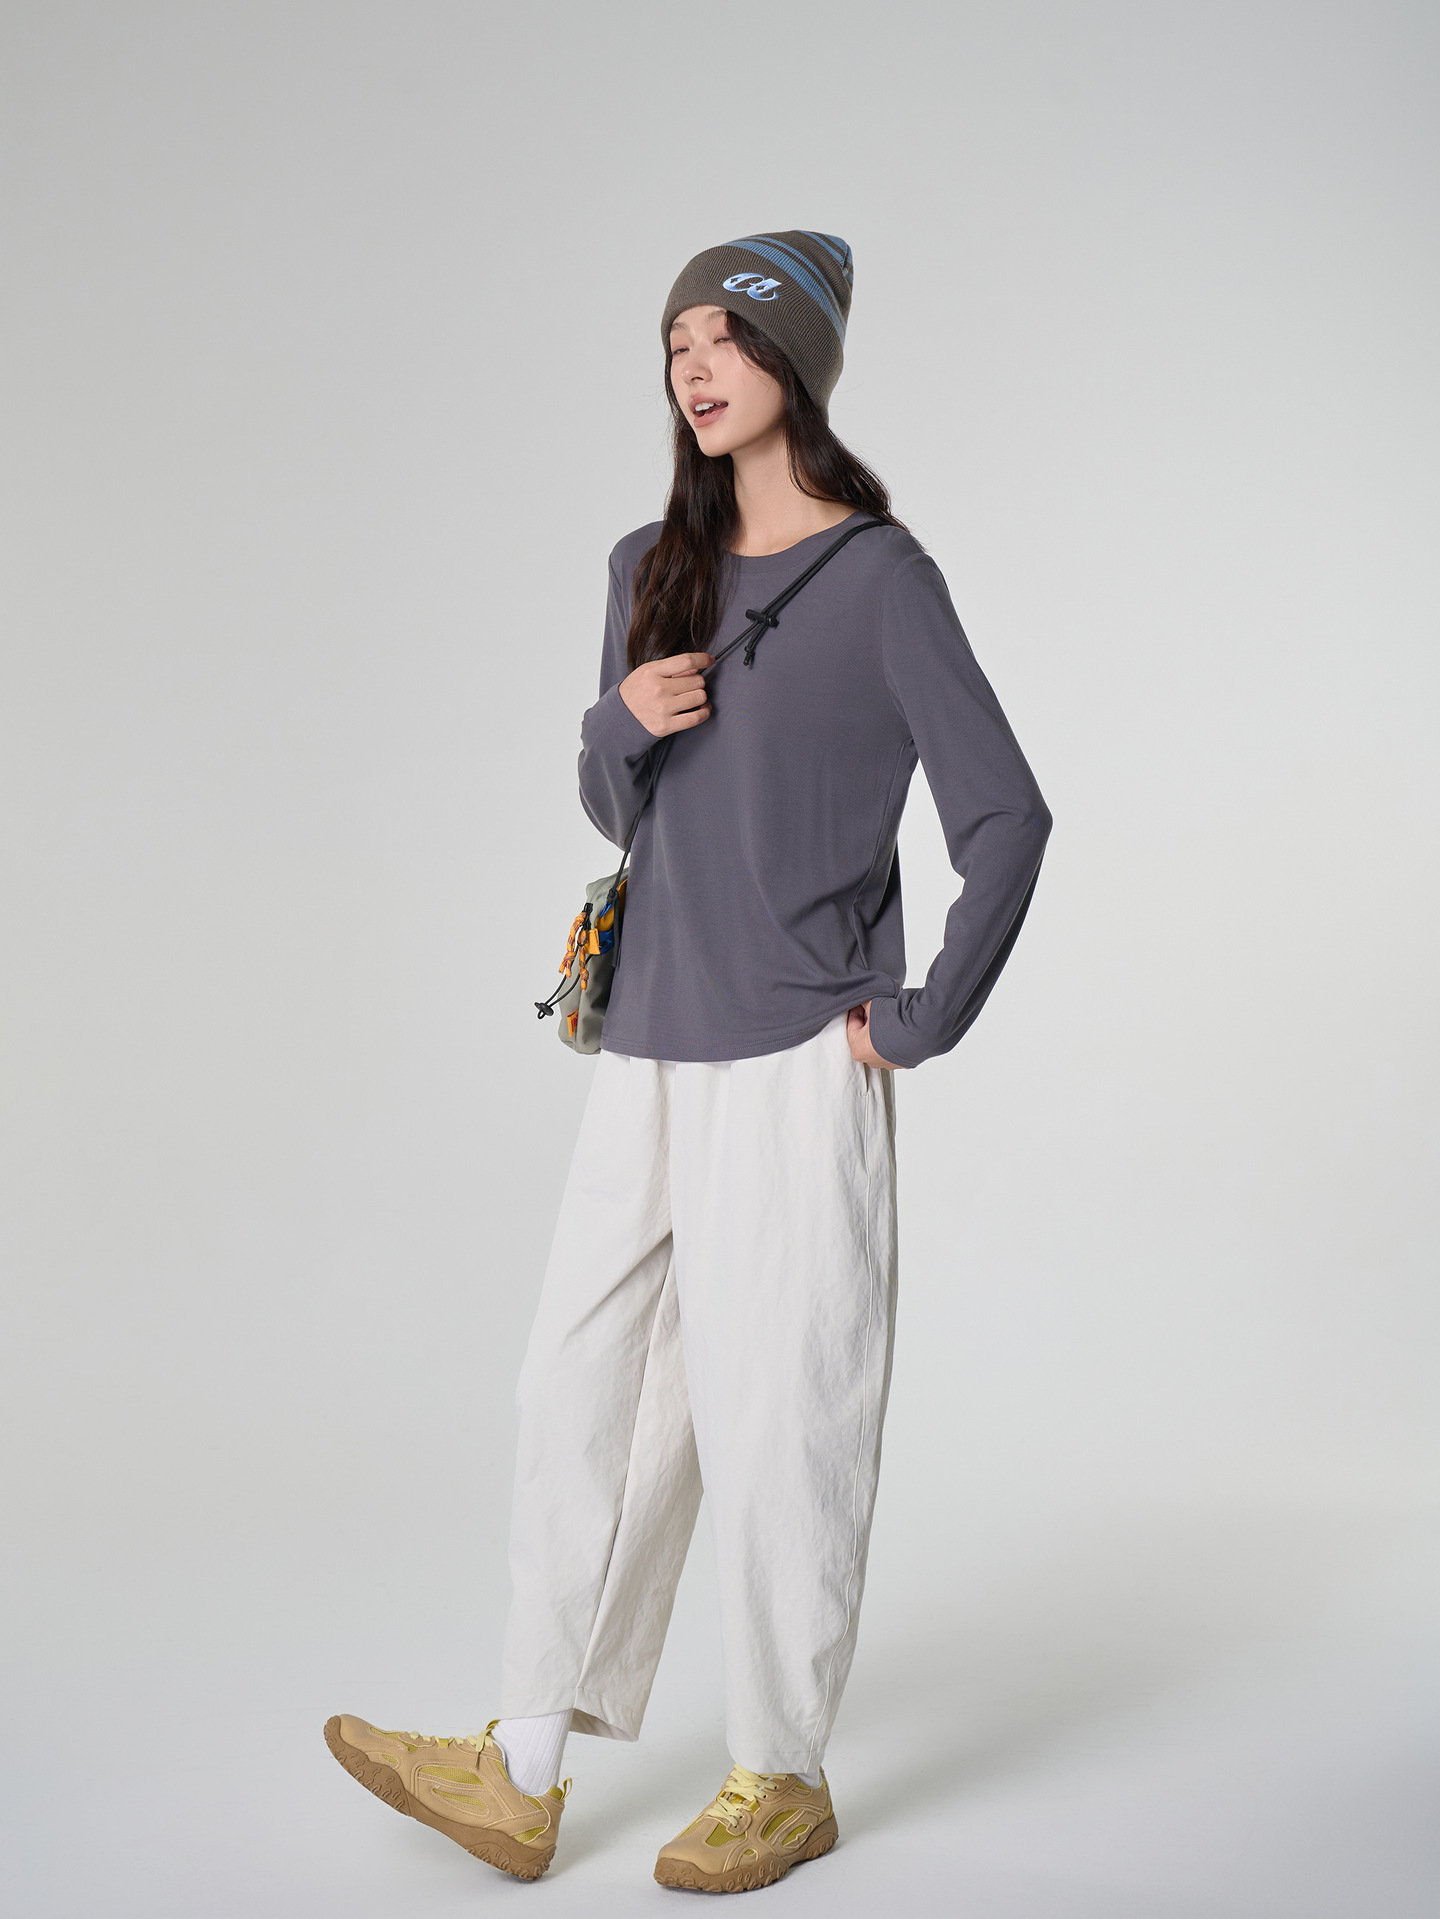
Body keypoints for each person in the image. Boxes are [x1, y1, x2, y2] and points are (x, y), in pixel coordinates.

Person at [325, 229, 1052, 1894]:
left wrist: (919, 1017)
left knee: (780, 1415)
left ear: (796, 361)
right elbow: (619, 804)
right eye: (675, 344)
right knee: (582, 1389)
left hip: (800, 1050)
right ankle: (522, 1769)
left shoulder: (882, 581)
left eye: (725, 336)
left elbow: (1007, 816)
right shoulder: (648, 563)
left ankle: (781, 1775)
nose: (694, 367)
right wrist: (618, 724)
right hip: (646, 1038)